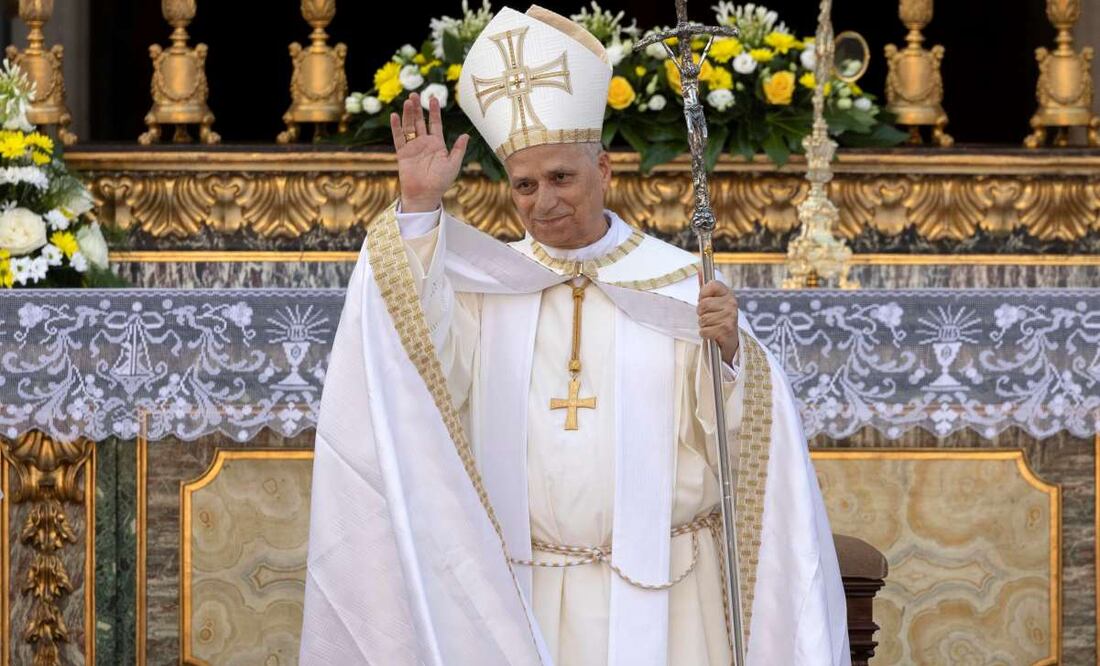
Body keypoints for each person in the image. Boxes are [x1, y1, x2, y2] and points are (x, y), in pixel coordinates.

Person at [299, 5, 849, 665]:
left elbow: (743, 442)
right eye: (524, 185)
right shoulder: (487, 287)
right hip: (520, 598)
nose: (543, 200)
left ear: (605, 171)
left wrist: (731, 356)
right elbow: (416, 374)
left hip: (670, 599)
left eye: (561, 177)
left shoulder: (677, 282)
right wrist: (419, 209)